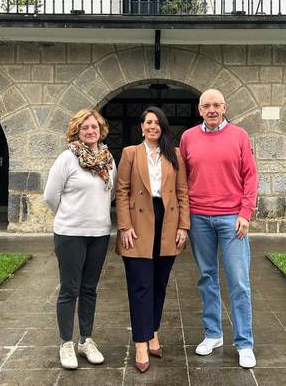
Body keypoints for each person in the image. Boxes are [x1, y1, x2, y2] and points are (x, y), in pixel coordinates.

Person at [178, 88, 259, 369]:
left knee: (238, 282)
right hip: (200, 218)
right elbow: (183, 180)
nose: (211, 110)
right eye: (206, 105)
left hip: (231, 219)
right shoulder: (188, 137)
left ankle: (244, 342)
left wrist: (245, 213)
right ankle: (213, 334)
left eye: (216, 105)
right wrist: (185, 218)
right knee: (207, 279)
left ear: (224, 108)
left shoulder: (239, 136)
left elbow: (250, 177)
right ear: (199, 109)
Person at [115, 106, 190, 373]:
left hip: (168, 222)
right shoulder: (130, 153)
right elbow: (121, 191)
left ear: (163, 127)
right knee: (140, 285)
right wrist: (124, 226)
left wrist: (184, 226)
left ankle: (153, 332)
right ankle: (140, 342)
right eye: (148, 122)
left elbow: (182, 193)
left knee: (159, 283)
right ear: (141, 126)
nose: (152, 127)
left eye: (157, 123)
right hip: (137, 224)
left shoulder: (175, 154)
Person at [43, 108, 116, 370]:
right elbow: (51, 195)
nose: (90, 131)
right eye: (85, 127)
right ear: (77, 131)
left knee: (89, 289)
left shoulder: (108, 160)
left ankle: (86, 340)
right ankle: (66, 343)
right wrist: (69, 216)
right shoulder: (67, 158)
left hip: (99, 233)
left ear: (101, 130)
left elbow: (111, 194)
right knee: (69, 289)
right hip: (70, 233)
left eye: (94, 127)